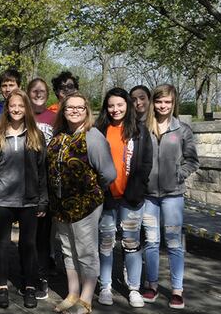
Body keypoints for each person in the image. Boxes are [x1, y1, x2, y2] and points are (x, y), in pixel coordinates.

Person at [47, 92, 116, 314]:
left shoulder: (92, 136)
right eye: (70, 107)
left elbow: (108, 173)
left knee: (86, 252)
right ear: (63, 111)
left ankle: (86, 299)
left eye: (80, 107)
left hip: (85, 206)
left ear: (87, 110)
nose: (75, 111)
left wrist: (91, 192)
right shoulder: (59, 136)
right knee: (68, 250)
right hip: (61, 206)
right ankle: (73, 293)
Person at [0, 89, 47, 309]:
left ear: (27, 108)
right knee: (2, 245)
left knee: (28, 245)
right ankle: (2, 286)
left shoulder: (36, 135)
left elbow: (42, 171)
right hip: (2, 199)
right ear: (7, 108)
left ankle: (29, 286)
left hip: (29, 200)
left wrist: (43, 200)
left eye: (21, 105)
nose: (17, 109)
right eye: (13, 106)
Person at [93, 88, 153, 308]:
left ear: (127, 105)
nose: (115, 109)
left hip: (131, 199)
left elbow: (146, 163)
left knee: (131, 244)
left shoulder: (139, 130)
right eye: (110, 105)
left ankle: (134, 288)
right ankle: (105, 286)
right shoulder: (99, 129)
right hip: (107, 198)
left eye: (119, 105)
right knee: (106, 244)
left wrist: (136, 191)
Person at [141, 84, 199, 310]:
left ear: (173, 103)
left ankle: (177, 289)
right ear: (153, 103)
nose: (163, 106)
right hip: (148, 196)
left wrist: (179, 174)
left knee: (174, 243)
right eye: (159, 101)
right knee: (152, 242)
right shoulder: (143, 128)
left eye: (167, 102)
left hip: (173, 195)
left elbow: (192, 160)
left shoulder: (182, 130)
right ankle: (152, 284)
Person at [26, 78, 56, 299]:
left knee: (42, 236)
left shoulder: (54, 118)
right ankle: (27, 277)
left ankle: (42, 277)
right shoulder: (22, 116)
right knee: (28, 236)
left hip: (48, 182)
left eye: (42, 91)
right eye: (34, 91)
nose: (38, 94)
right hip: (25, 182)